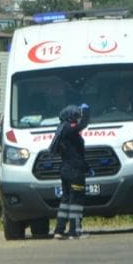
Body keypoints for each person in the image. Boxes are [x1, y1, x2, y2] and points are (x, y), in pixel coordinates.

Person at [49, 102, 90, 239]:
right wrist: (86, 111)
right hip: (75, 172)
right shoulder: (69, 128)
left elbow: (74, 153)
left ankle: (59, 231)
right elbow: (83, 124)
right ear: (71, 117)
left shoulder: (62, 129)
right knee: (76, 201)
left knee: (65, 201)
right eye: (76, 115)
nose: (78, 118)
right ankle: (74, 231)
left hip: (66, 170)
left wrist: (87, 167)